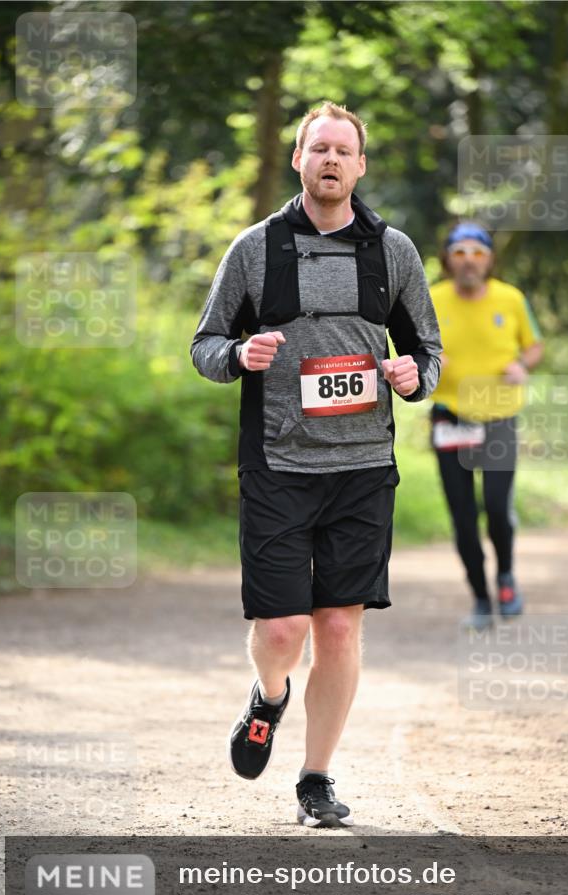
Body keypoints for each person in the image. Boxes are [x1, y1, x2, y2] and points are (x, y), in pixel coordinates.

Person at [190, 101, 442, 828]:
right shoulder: (254, 249)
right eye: (317, 149)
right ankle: (269, 697)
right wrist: (237, 354)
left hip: (362, 469)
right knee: (281, 632)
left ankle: (316, 779)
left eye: (343, 150)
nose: (330, 160)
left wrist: (412, 379)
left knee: (337, 628)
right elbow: (203, 344)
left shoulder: (391, 251)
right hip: (277, 464)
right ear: (297, 160)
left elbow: (427, 350)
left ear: (360, 166)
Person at [429, 222, 544, 629]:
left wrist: (522, 364)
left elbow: (534, 345)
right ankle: (480, 598)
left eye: (477, 253)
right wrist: (429, 361)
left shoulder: (511, 299)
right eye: (460, 253)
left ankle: (507, 577)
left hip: (497, 415)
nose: (469, 261)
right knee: (462, 516)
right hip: (449, 415)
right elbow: (411, 347)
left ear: (489, 259)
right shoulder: (431, 298)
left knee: (496, 506)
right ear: (448, 260)